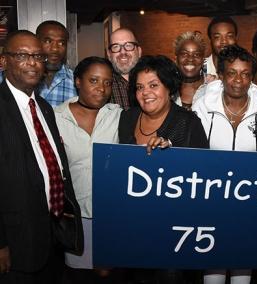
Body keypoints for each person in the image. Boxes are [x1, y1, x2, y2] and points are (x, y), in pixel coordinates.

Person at [193, 45, 257, 284]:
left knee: (242, 266)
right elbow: (189, 147)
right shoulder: (202, 108)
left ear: (251, 77)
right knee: (213, 267)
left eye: (245, 73)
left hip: (248, 202)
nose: (238, 80)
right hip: (210, 200)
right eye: (232, 73)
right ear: (221, 76)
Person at [0, 30, 82, 283]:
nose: (33, 63)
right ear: (4, 61)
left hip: (52, 236)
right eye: (23, 56)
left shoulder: (44, 108)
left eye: (38, 56)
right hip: (14, 243)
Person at [119, 55, 208, 284]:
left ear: (169, 87)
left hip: (173, 231)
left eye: (153, 85)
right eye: (139, 87)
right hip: (133, 226)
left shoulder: (188, 123)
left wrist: (172, 153)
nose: (145, 92)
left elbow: (201, 180)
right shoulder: (127, 119)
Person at [54, 57, 121, 283]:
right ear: (77, 82)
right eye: (94, 80)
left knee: (108, 274)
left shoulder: (118, 116)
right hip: (74, 218)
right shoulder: (55, 118)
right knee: (78, 276)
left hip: (111, 215)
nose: (101, 88)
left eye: (107, 82)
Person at [35, 20, 77, 107]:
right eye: (48, 41)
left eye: (61, 43)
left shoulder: (76, 82)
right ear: (35, 42)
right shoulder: (9, 78)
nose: (55, 49)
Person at [107, 28, 142, 110]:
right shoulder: (103, 86)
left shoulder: (154, 80)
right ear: (109, 54)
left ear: (139, 51)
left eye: (128, 45)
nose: (123, 52)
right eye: (116, 47)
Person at [173, 31, 207, 110]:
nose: (190, 59)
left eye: (196, 54)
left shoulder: (212, 88)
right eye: (184, 54)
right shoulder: (167, 88)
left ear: (203, 60)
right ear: (176, 59)